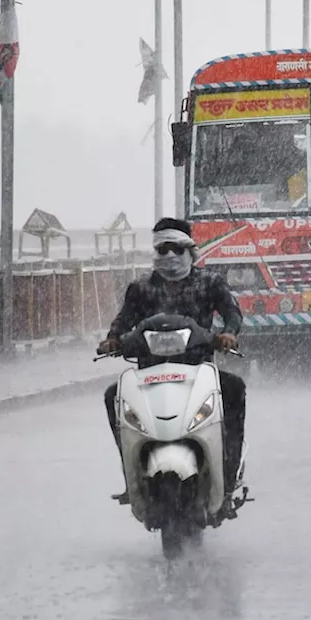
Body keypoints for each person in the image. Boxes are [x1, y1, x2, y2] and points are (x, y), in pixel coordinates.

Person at [98, 218, 248, 509]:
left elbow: (232, 312)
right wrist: (113, 339)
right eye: (162, 250)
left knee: (235, 390)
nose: (169, 257)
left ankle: (228, 476)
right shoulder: (141, 289)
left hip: (198, 370)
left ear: (189, 250)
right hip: (149, 373)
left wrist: (229, 333)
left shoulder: (210, 283)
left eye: (176, 249)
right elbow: (123, 321)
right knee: (112, 396)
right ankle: (132, 477)